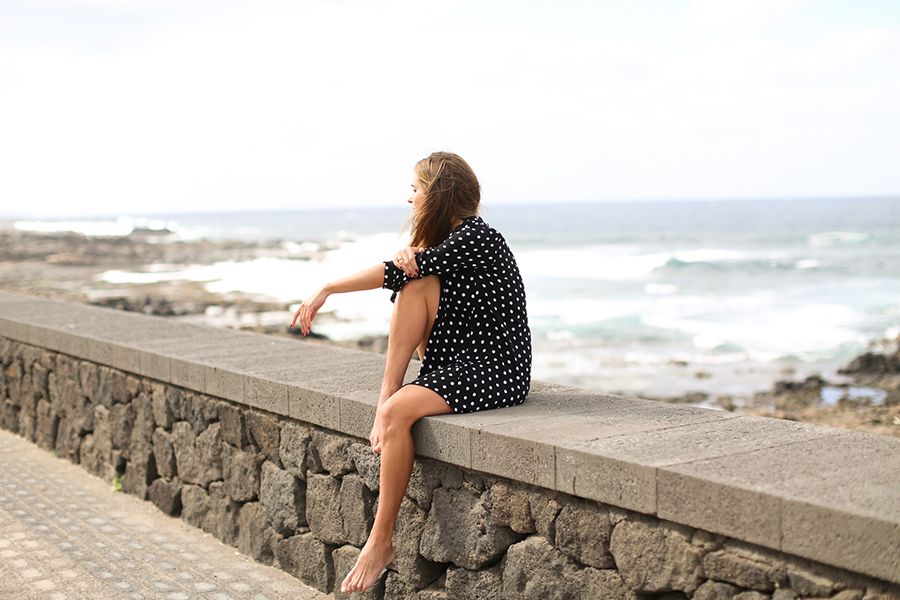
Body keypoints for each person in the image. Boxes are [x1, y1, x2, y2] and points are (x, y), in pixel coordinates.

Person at [289, 151, 532, 593]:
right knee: (412, 284)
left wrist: (326, 287)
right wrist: (413, 256)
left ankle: (380, 542)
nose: (409, 198)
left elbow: (391, 273)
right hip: (458, 360)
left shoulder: (479, 238)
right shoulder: (444, 247)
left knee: (397, 411)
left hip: (497, 368)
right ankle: (390, 392)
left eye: (416, 189)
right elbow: (407, 276)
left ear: (437, 194)